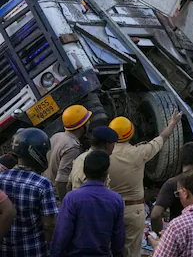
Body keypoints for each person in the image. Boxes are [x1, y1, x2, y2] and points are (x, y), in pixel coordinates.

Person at [108, 111, 181, 257]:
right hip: (134, 210)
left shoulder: (104, 155)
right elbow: (162, 138)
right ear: (131, 133)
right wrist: (172, 123)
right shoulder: (140, 152)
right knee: (132, 251)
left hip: (110, 209)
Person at [50, 151, 125, 257]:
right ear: (106, 173)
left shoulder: (72, 198)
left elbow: (62, 234)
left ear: (85, 171)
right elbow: (118, 238)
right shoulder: (116, 200)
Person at [0, 128, 58, 257]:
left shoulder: (1, 178)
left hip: (4, 251)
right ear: (36, 153)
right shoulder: (42, 184)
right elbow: (49, 224)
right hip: (33, 251)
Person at [44, 104, 92, 200]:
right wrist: (65, 203)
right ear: (82, 126)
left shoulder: (57, 136)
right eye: (87, 121)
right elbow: (61, 181)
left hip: (46, 187)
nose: (89, 123)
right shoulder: (72, 147)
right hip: (56, 195)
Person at [68, 125, 118, 191]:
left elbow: (69, 185)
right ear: (107, 145)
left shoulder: (79, 159)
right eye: (113, 144)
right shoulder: (97, 163)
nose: (114, 147)